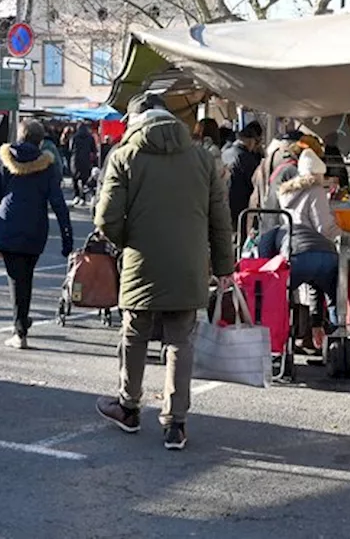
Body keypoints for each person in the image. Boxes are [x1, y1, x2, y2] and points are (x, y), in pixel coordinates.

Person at [94, 92, 234, 451]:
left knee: (135, 333)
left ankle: (128, 406)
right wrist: (223, 267)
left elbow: (106, 218)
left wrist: (130, 240)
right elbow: (220, 220)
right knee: (180, 340)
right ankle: (176, 423)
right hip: (189, 263)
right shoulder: (202, 159)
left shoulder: (124, 156)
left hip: (142, 260)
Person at [0, 119, 74, 349]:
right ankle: (22, 321)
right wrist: (68, 238)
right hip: (36, 226)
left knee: (16, 279)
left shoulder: (5, 157)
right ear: (40, 140)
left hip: (9, 223)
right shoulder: (47, 164)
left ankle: (20, 330)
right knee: (26, 276)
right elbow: (58, 202)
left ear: (20, 135)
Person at [273, 148, 342, 332]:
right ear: (318, 174)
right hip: (315, 249)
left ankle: (290, 335)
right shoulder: (316, 191)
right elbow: (323, 227)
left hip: (291, 251)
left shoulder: (286, 194)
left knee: (288, 294)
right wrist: (344, 236)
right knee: (334, 292)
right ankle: (336, 337)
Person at [220, 121, 264, 228]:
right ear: (250, 141)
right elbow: (254, 182)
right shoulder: (246, 158)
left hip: (222, 200)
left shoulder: (224, 152)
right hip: (240, 203)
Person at [70, 122, 98, 207]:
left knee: (75, 178)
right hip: (86, 160)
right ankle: (83, 198)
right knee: (84, 179)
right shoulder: (90, 137)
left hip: (75, 159)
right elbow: (94, 149)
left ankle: (76, 196)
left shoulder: (74, 137)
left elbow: (70, 148)